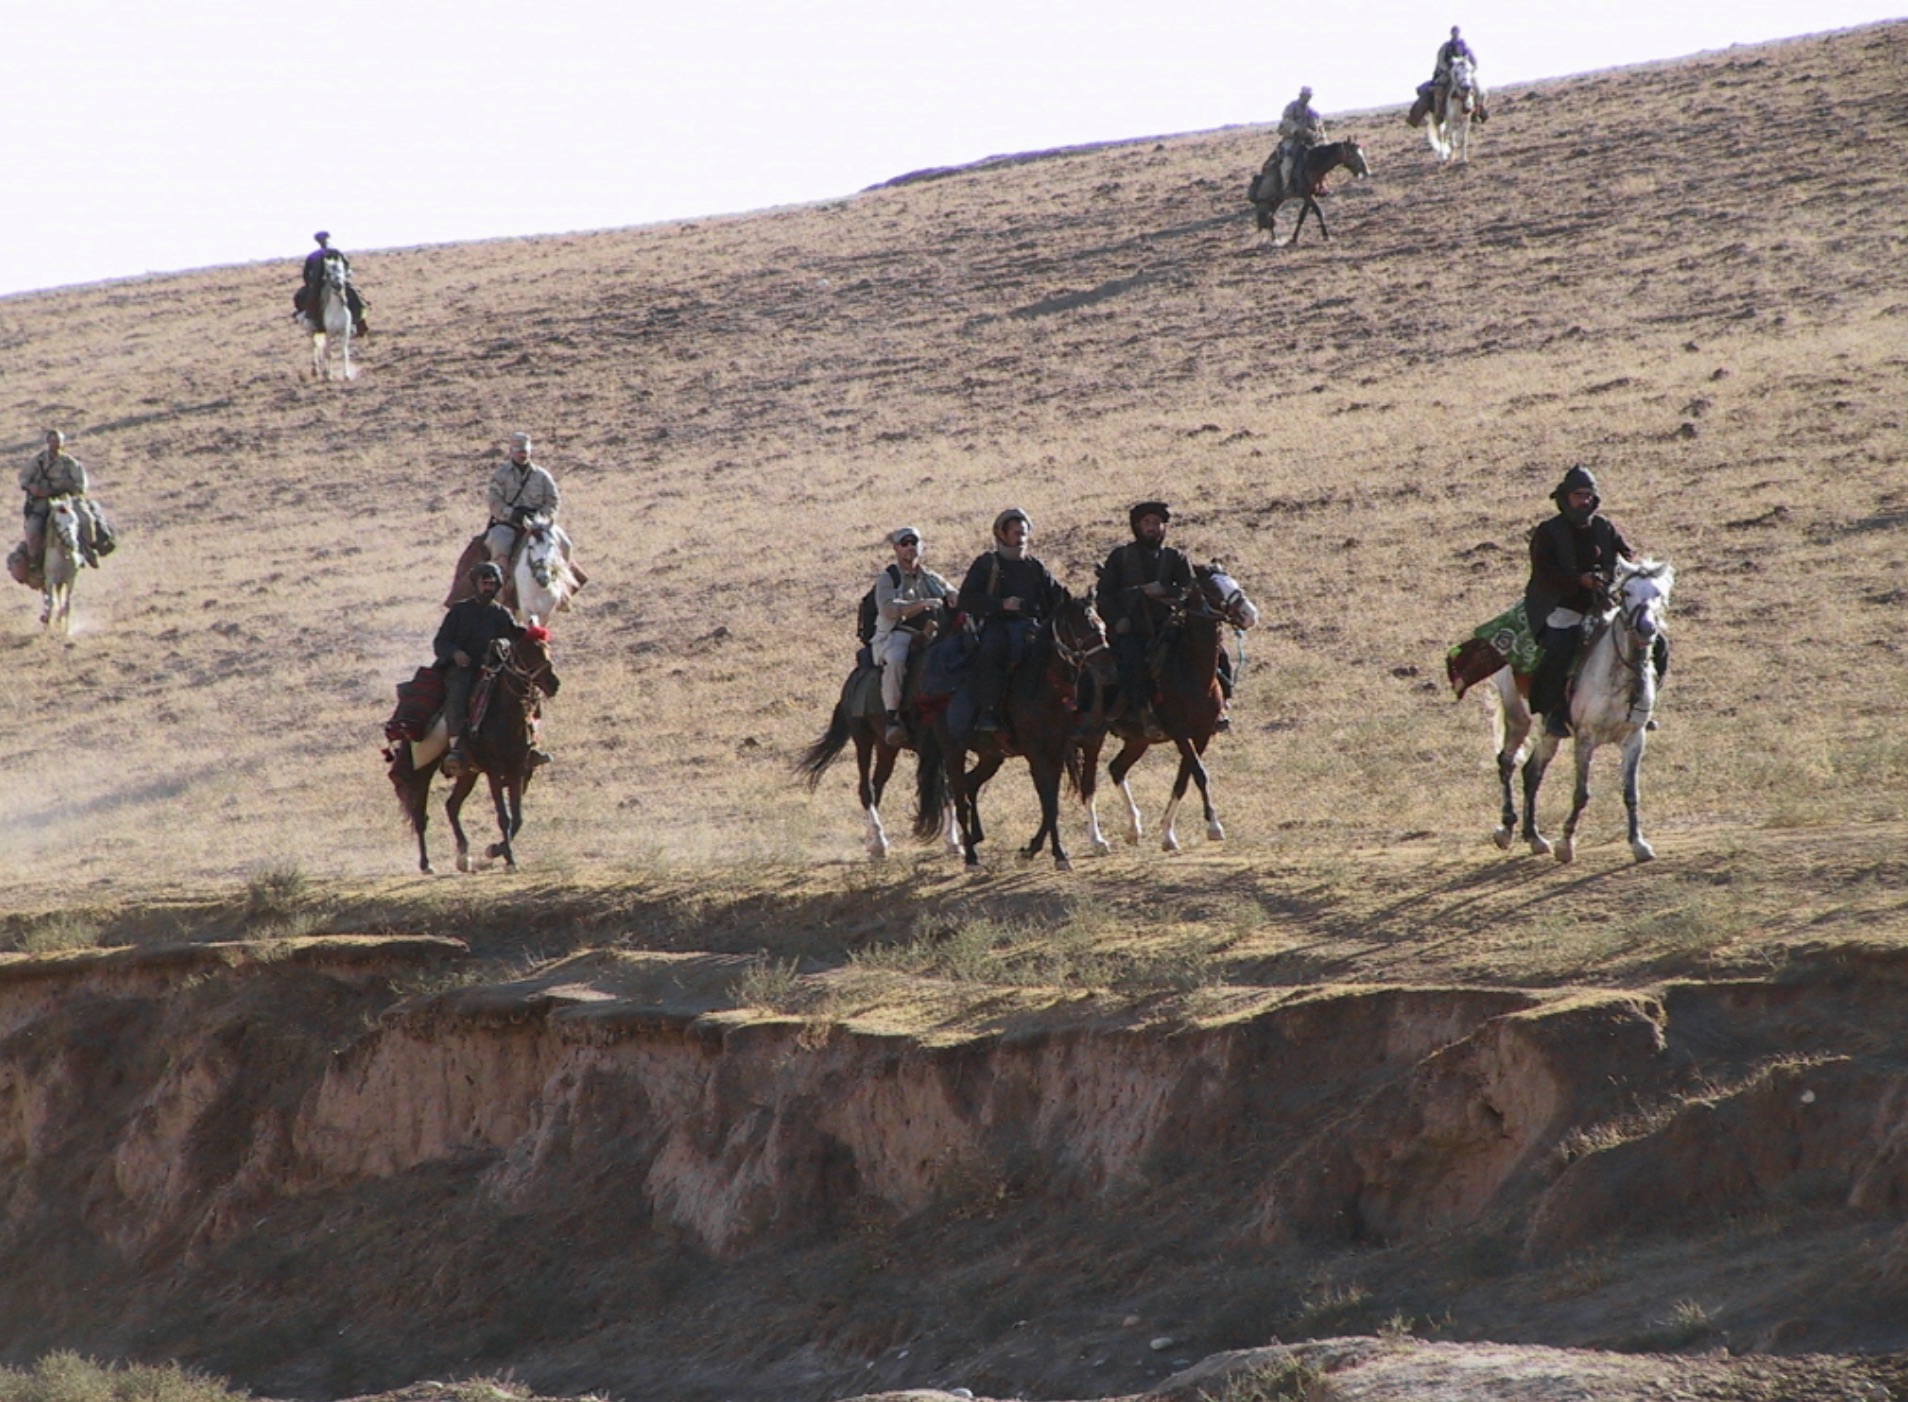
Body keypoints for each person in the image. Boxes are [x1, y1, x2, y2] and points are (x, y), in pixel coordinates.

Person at [1525, 466, 1636, 739]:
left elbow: (1626, 557)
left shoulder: (1604, 527)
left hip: (1604, 604)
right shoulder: (1548, 531)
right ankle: (1553, 711)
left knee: (1652, 642)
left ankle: (1641, 705)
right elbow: (1543, 573)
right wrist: (1578, 581)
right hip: (1561, 605)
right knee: (1561, 646)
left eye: (1588, 495)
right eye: (1578, 495)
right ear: (1565, 497)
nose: (1584, 501)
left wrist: (1610, 576)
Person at [956, 508, 1065, 734]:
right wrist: (1000, 605)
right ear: (1002, 535)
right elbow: (966, 599)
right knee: (992, 651)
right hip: (997, 626)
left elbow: (1057, 596)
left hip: (1032, 628)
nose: (1021, 539)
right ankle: (988, 711)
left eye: (1024, 533)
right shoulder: (987, 564)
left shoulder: (1035, 566)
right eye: (1016, 533)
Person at [1098, 502, 1194, 741]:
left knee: (1209, 650)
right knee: (1132, 659)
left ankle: (1219, 704)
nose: (1152, 527)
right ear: (1137, 526)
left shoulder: (1176, 557)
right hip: (1132, 628)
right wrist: (1118, 619)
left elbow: (1190, 590)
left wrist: (1165, 590)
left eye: (1157, 523)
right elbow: (1105, 595)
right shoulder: (1120, 557)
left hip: (1169, 626)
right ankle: (1144, 712)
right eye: (1147, 523)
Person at [434, 561, 538, 777]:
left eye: (492, 583)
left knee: (524, 693)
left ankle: (530, 744)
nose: (489, 587)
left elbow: (514, 638)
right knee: (457, 695)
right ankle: (456, 748)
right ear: (476, 585)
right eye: (485, 583)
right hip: (462, 669)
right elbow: (440, 642)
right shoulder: (459, 611)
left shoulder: (501, 613)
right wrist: (455, 654)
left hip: (493, 670)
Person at [872, 526, 954, 747]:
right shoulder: (888, 578)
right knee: (897, 661)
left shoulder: (932, 578)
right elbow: (888, 609)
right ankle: (892, 717)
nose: (910, 547)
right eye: (904, 543)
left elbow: (953, 594)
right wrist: (923, 604)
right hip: (897, 634)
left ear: (921, 546)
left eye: (914, 542)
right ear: (896, 549)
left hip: (931, 634)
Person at [485, 432, 563, 570]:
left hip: (538, 525)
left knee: (565, 544)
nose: (523, 455)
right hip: (509, 525)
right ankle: (501, 581)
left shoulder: (542, 476)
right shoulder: (501, 474)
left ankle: (563, 584)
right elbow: (494, 500)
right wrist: (511, 514)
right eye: (519, 451)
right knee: (499, 543)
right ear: (511, 452)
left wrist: (541, 517)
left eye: (525, 451)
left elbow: (553, 501)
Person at [18, 430, 90, 577]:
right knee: (33, 528)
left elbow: (81, 485)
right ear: (47, 442)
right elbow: (24, 479)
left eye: (58, 442)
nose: (55, 444)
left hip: (65, 499)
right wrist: (33, 488)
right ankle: (35, 561)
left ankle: (88, 550)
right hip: (43, 500)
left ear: (63, 444)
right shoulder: (38, 461)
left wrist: (65, 486)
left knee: (85, 518)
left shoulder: (70, 463)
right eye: (53, 441)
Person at [296, 231, 369, 336]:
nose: (323, 242)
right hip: (321, 284)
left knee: (354, 295)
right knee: (305, 297)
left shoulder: (335, 253)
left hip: (335, 282)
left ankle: (359, 321)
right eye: (321, 240)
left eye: (324, 239)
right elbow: (307, 273)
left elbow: (346, 267)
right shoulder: (315, 256)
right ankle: (313, 320)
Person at [1275, 86, 1329, 198]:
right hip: (1292, 139)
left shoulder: (1313, 113)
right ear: (1300, 95)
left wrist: (1322, 141)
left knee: (1322, 160)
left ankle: (1321, 185)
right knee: (1288, 159)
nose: (1307, 98)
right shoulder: (1291, 107)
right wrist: (1297, 129)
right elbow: (1286, 121)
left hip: (1310, 140)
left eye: (1309, 96)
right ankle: (1287, 186)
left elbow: (1320, 130)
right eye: (1305, 96)